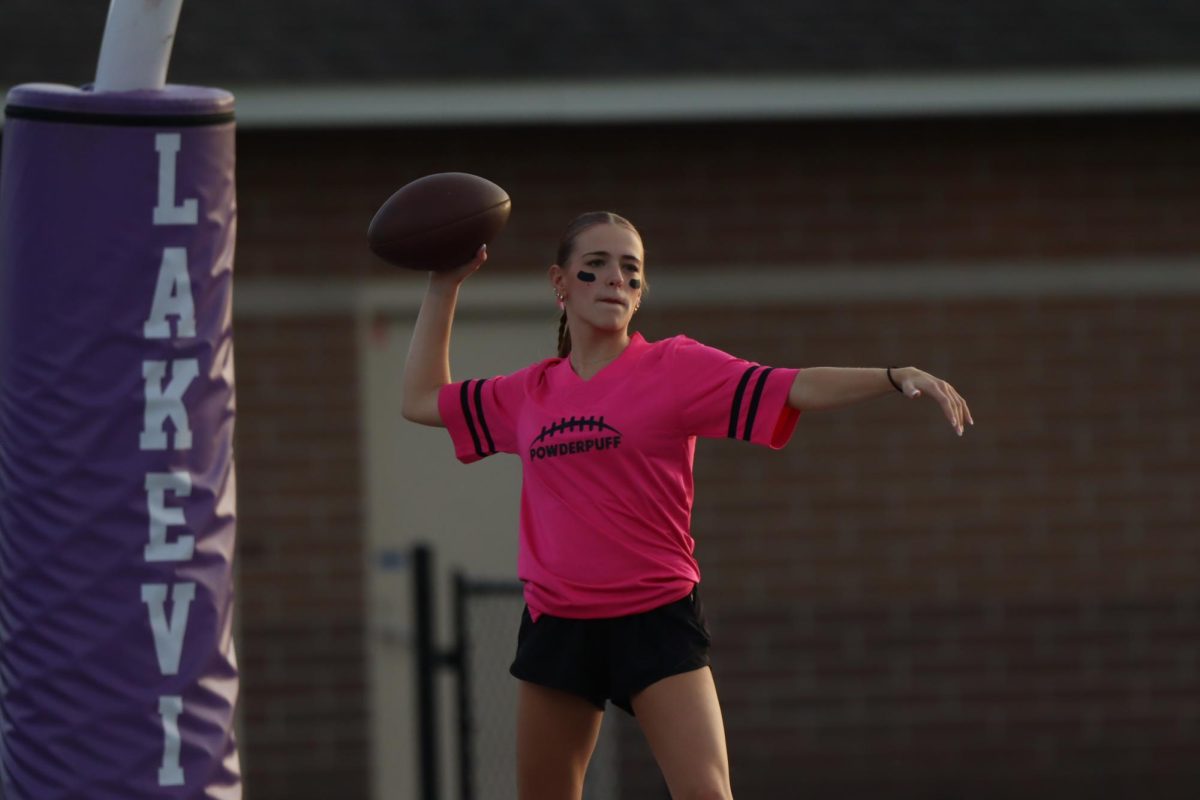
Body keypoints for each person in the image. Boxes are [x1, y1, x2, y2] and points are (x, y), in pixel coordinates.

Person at [401, 211, 973, 800]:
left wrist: (892, 375)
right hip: (559, 623)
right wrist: (444, 285)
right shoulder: (528, 393)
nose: (614, 282)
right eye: (594, 269)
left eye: (630, 271)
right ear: (560, 283)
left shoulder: (673, 367)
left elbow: (790, 384)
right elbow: (420, 398)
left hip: (655, 618)